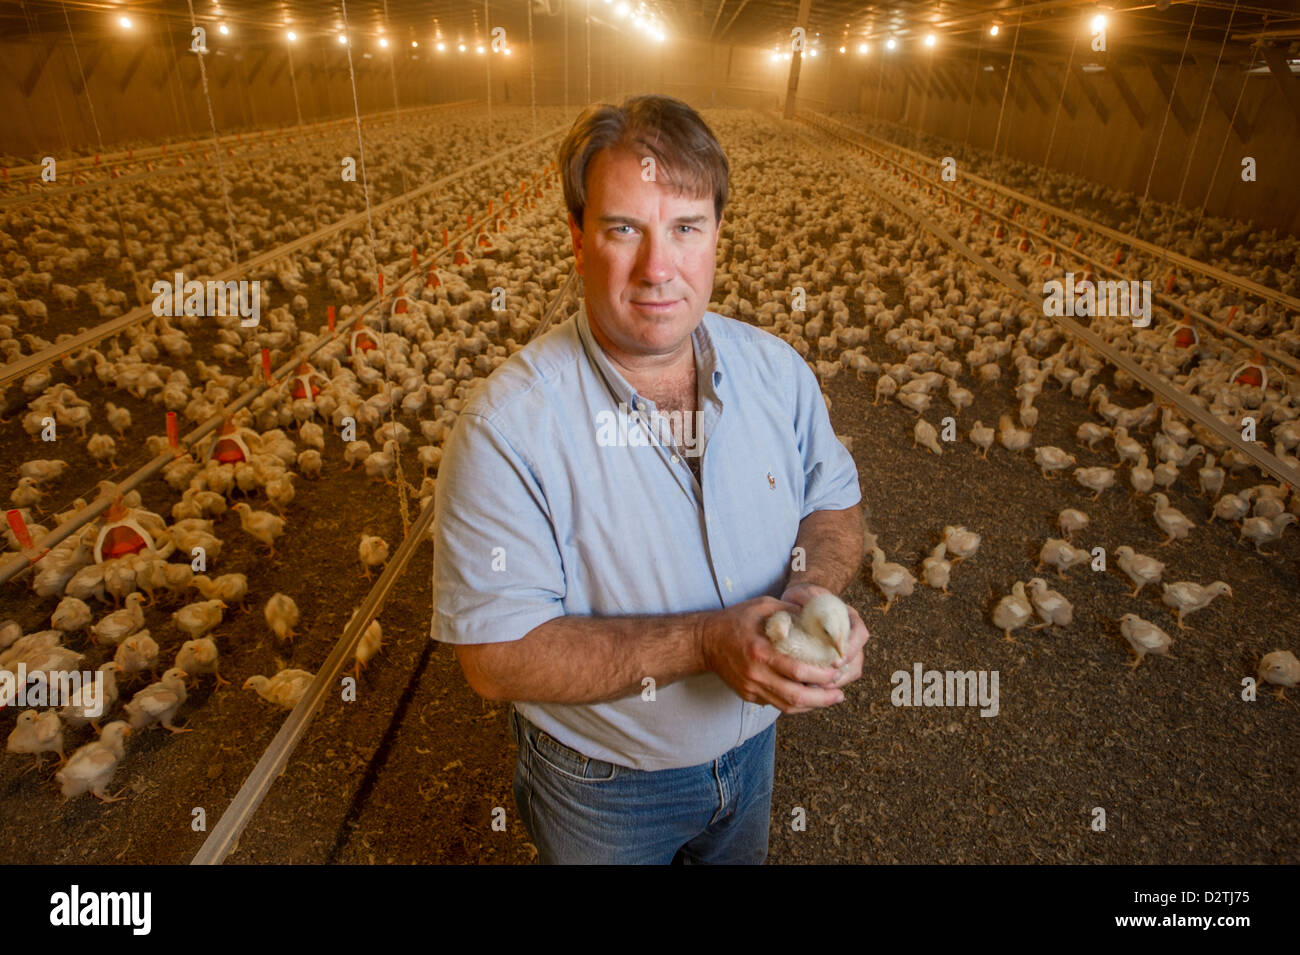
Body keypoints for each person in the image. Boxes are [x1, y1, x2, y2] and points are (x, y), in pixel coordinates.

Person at [431, 94, 868, 864]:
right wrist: (707, 642)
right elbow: (494, 658)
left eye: (686, 228)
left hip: (754, 753)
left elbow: (832, 506)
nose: (658, 267)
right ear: (577, 237)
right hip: (605, 786)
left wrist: (813, 590)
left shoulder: (777, 372)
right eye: (624, 228)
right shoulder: (508, 429)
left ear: (717, 235)